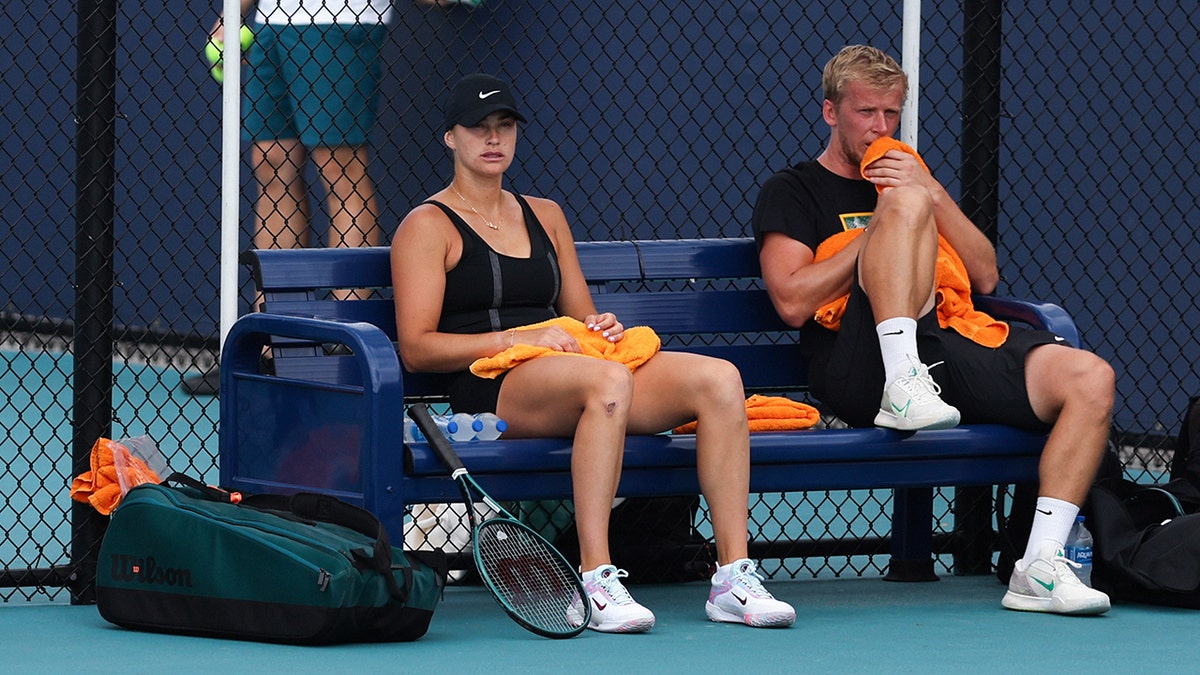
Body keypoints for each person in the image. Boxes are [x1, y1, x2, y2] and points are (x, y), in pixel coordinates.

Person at [390, 73, 796, 632]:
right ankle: (596, 578)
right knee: (606, 384)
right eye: (478, 128)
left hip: (570, 369)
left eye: (504, 126)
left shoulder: (546, 214)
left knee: (720, 379)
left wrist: (599, 324)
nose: (493, 139)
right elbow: (416, 348)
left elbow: (581, 314)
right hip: (489, 384)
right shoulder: (426, 225)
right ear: (450, 138)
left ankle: (731, 578)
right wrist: (519, 339)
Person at [752, 45, 1115, 615]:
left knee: (1089, 378)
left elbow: (986, 274)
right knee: (900, 208)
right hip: (859, 364)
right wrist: (882, 233)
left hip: (943, 346)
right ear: (831, 113)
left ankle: (1039, 565)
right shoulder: (793, 190)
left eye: (892, 114)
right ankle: (903, 381)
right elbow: (794, 302)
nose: (880, 127)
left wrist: (930, 190)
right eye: (866, 113)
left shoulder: (914, 180)